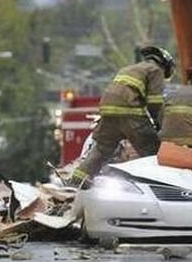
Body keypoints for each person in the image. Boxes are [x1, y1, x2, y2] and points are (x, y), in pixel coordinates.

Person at [69, 46, 175, 187]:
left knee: (102, 149)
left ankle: (75, 182)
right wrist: (160, 125)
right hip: (129, 112)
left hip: (107, 111)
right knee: (153, 151)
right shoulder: (155, 70)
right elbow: (155, 103)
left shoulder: (129, 69)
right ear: (165, 64)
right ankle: (160, 186)